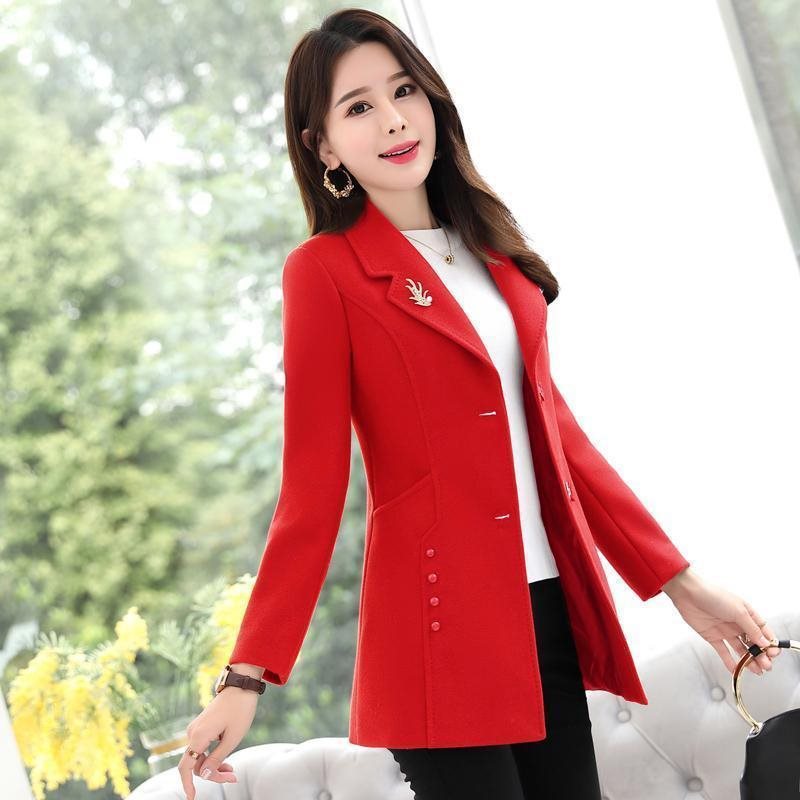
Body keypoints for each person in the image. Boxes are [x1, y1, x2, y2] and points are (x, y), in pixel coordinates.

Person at [178, 9, 781, 800]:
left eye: (404, 91)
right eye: (358, 106)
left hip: (545, 617)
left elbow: (561, 444)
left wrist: (682, 585)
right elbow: (312, 493)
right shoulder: (324, 274)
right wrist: (246, 676)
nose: (394, 119)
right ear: (323, 146)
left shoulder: (493, 252)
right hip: (432, 633)